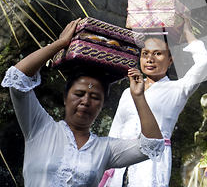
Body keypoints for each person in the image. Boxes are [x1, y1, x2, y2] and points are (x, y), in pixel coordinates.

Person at [1, 18, 164, 187]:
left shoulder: (105, 150)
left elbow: (152, 145)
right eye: (79, 94)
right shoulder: (40, 127)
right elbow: (18, 77)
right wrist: (61, 43)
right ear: (65, 97)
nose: (85, 101)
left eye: (94, 97)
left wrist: (138, 96)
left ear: (103, 105)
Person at [104, 19, 207, 187]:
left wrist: (187, 34)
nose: (150, 59)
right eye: (145, 53)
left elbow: (205, 63)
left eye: (158, 53)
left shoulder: (178, 89)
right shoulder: (128, 92)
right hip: (118, 165)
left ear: (170, 60)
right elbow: (114, 132)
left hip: (151, 164)